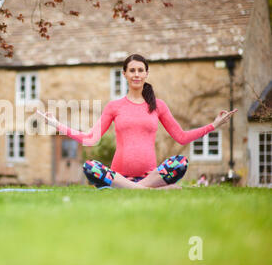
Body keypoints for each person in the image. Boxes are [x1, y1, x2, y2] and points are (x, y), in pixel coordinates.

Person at [38, 54, 237, 190]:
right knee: (90, 167)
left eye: (140, 70)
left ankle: (136, 189)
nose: (136, 74)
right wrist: (57, 125)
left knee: (181, 162)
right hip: (119, 177)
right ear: (124, 74)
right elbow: (90, 139)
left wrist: (214, 125)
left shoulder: (158, 105)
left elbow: (182, 137)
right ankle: (147, 191)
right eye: (132, 70)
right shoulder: (114, 106)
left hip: (150, 177)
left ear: (146, 74)